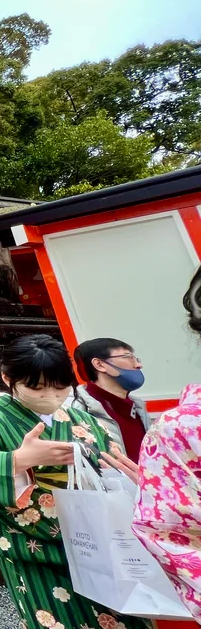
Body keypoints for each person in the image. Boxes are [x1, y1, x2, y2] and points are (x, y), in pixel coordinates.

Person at [0, 334, 148, 629]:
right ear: (7, 378)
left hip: (101, 544)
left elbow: (113, 466)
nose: (50, 395)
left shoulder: (82, 421)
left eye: (61, 386)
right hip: (35, 547)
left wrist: (135, 480)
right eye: (36, 387)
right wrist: (18, 459)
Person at [127, 265, 201, 620]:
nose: (137, 364)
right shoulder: (179, 427)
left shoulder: (142, 408)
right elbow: (176, 535)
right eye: (127, 359)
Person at [67, 337, 150, 460]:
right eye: (128, 357)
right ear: (99, 364)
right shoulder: (77, 411)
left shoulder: (137, 408)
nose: (138, 365)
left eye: (136, 359)